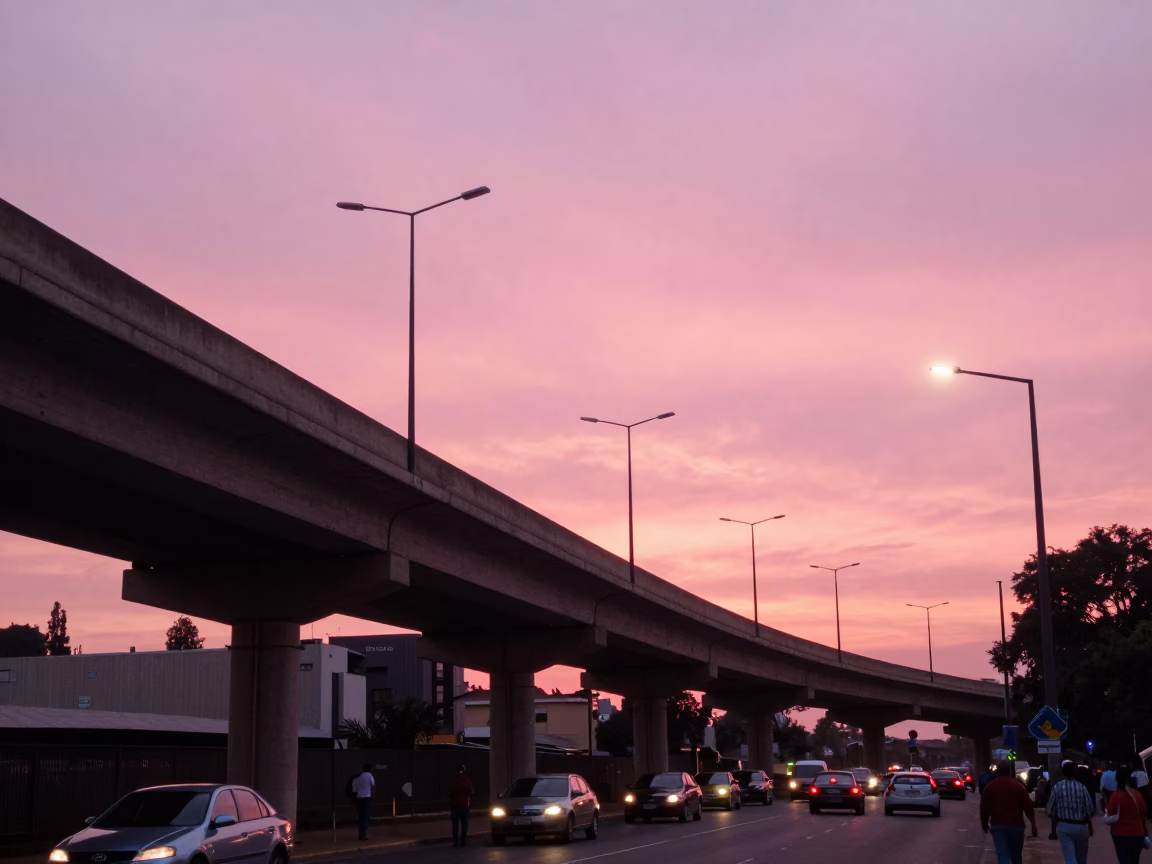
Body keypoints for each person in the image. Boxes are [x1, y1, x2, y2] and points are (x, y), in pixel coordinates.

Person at [981, 761, 1039, 864]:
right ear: (1010, 771)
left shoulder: (990, 787)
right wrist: (1033, 825)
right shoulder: (1019, 787)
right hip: (1016, 826)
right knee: (1016, 856)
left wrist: (984, 824)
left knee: (1002, 855)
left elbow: (984, 808)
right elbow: (1028, 807)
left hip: (998, 826)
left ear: (997, 772)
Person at [1048, 761, 1096, 864]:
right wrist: (1090, 827)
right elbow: (1089, 809)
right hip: (1081, 826)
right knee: (1082, 859)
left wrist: (1053, 831)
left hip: (1064, 826)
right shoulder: (1082, 788)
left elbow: (1052, 811)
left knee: (1070, 858)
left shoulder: (1057, 787)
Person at [1104, 766, 1148, 864]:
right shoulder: (1137, 795)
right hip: (1137, 833)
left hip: (1120, 834)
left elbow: (1110, 814)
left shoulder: (1115, 796)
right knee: (1135, 860)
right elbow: (1144, 813)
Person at [448, 764, 474, 848]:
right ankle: (463, 840)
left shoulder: (453, 780)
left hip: (454, 806)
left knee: (455, 825)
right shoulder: (466, 780)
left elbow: (450, 793)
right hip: (464, 805)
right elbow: (471, 791)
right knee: (464, 824)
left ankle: (455, 842)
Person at [351, 762, 375, 841]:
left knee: (361, 817)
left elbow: (354, 790)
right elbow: (372, 786)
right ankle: (363, 834)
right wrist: (373, 796)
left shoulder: (356, 778)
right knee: (366, 817)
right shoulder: (369, 775)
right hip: (366, 798)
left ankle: (361, 833)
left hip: (359, 798)